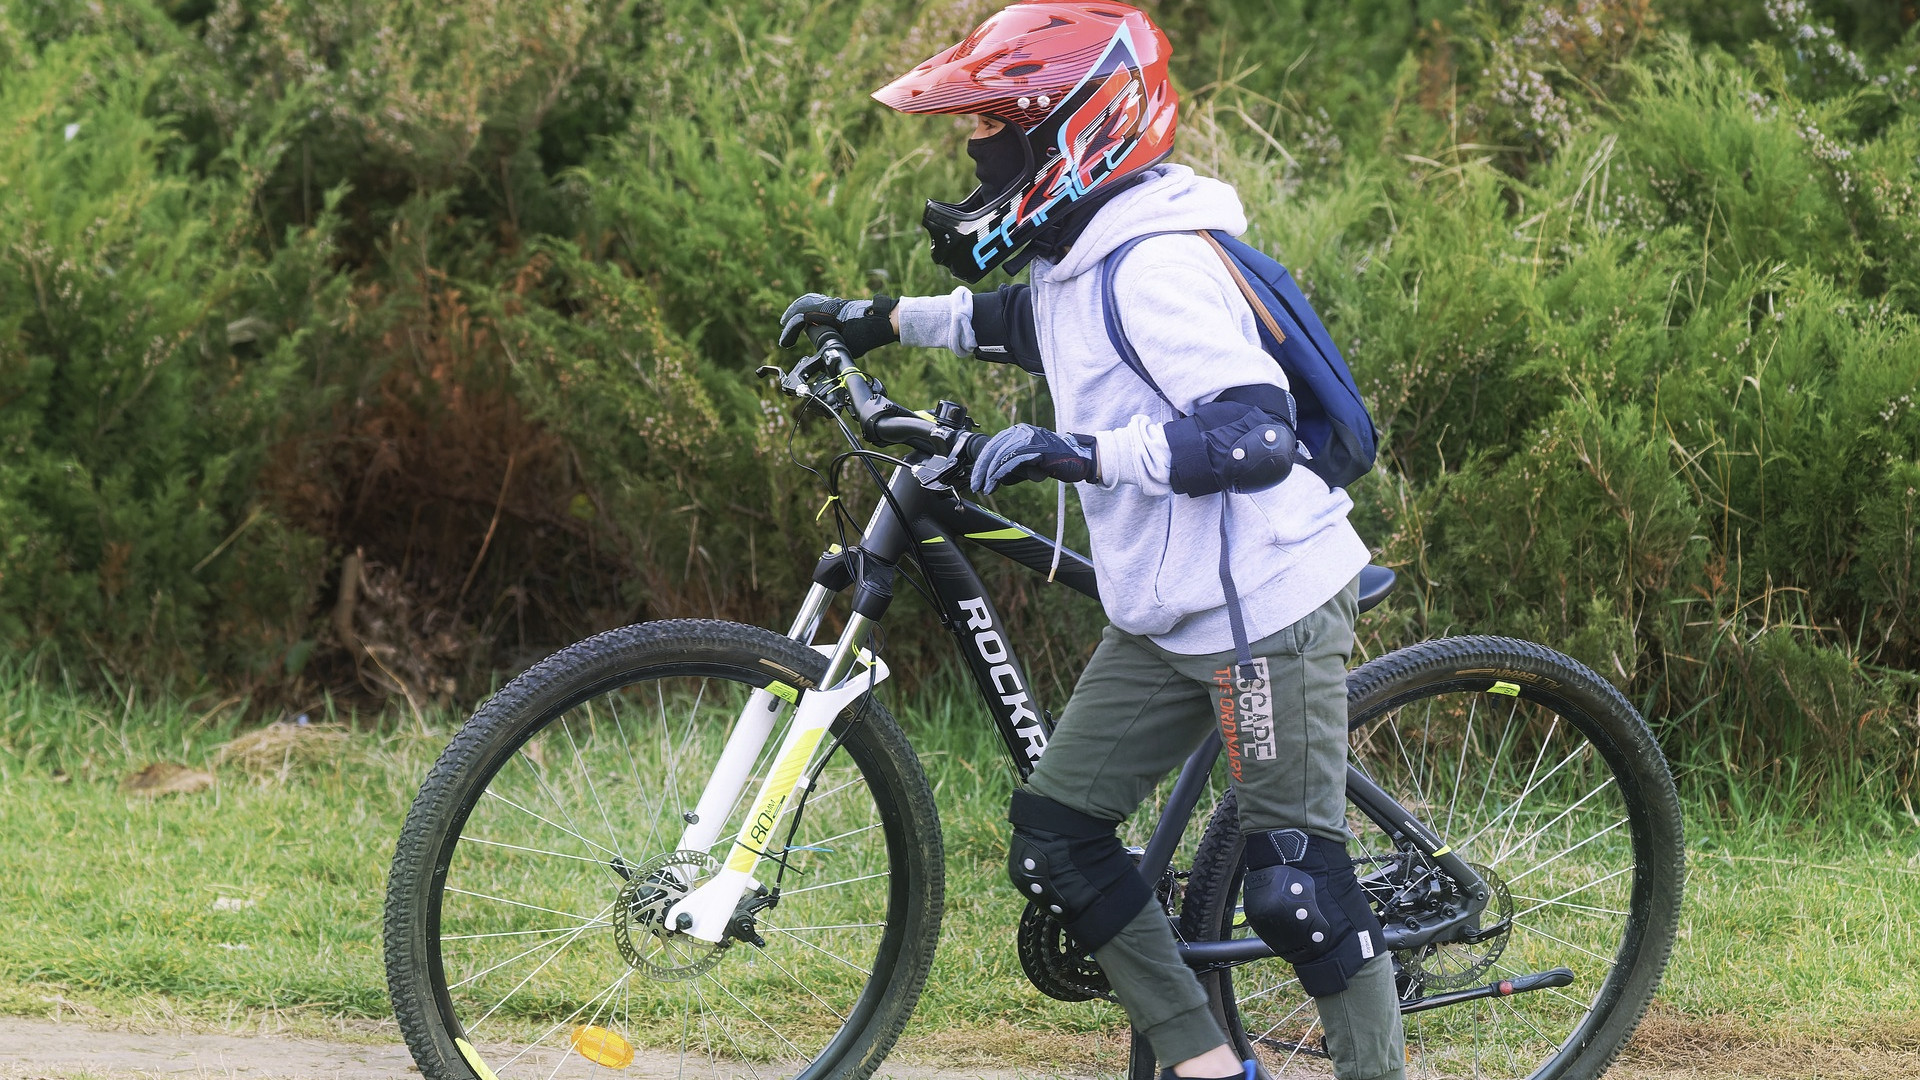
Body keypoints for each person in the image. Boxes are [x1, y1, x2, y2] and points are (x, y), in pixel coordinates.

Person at [779, 4, 1406, 1079]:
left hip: (1264, 608)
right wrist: (879, 317)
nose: (974, 151)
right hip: (1168, 611)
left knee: (1297, 892)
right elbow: (1024, 323)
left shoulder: (1157, 265)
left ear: (1077, 133)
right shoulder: (1085, 252)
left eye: (991, 128)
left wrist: (1077, 453)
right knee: (1056, 840)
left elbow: (1254, 434)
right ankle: (1206, 1065)